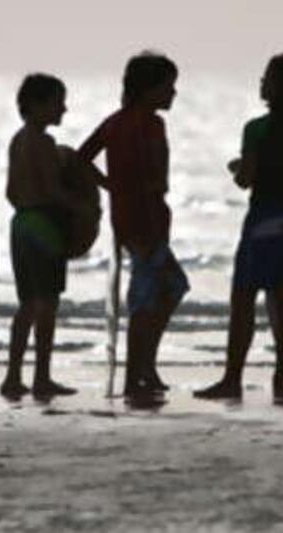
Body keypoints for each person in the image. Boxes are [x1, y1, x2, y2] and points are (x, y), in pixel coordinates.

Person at [194, 53, 283, 401]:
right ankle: (281, 380)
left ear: (278, 87)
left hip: (264, 225)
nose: (261, 82)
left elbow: (246, 180)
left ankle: (232, 379)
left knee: (243, 302)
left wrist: (238, 167)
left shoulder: (256, 129)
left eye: (266, 77)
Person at [79, 51, 189, 397]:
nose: (173, 93)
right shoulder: (149, 124)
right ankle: (135, 375)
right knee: (147, 300)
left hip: (132, 221)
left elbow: (81, 158)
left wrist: (110, 186)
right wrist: (117, 188)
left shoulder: (115, 122)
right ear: (148, 89)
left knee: (168, 289)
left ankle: (145, 367)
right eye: (168, 86)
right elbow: (148, 178)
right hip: (145, 223)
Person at [0, 73, 84, 399]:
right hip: (44, 225)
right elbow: (52, 190)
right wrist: (83, 208)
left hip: (20, 223)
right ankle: (42, 378)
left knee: (27, 304)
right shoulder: (44, 143)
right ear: (35, 105)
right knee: (47, 303)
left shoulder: (17, 140)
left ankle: (12, 376)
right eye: (58, 102)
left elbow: (10, 191)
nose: (64, 108)